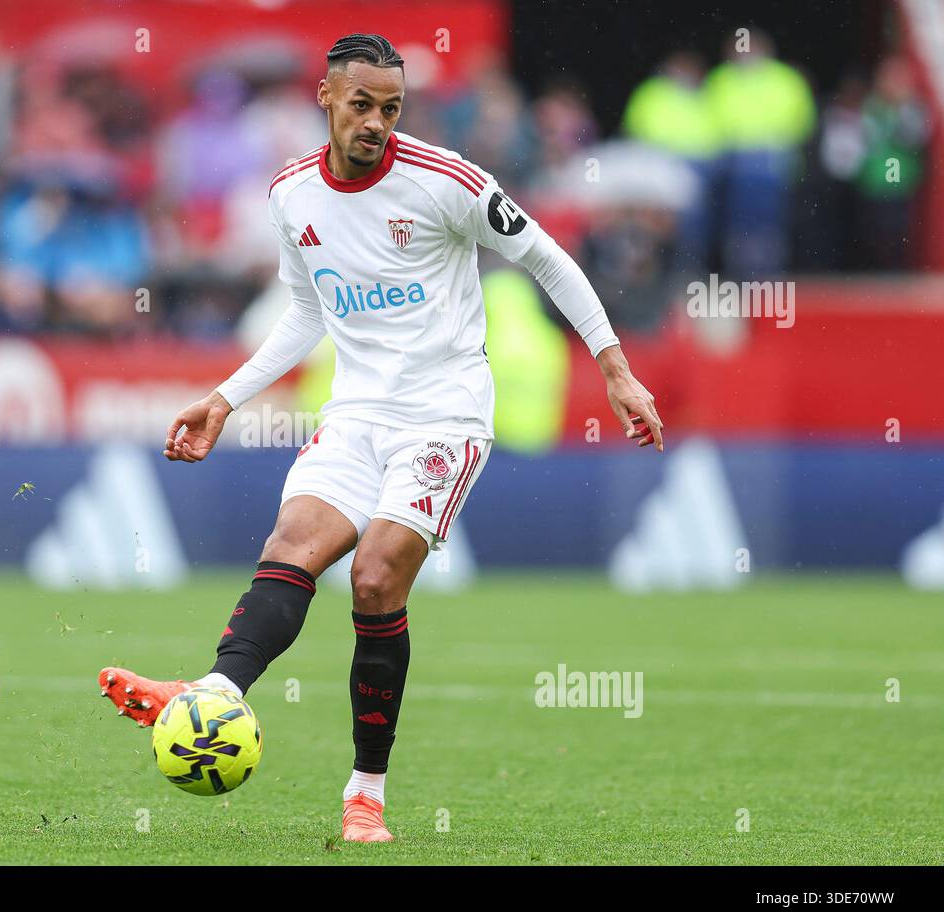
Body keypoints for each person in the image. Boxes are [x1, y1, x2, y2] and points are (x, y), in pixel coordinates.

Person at [96, 34, 663, 843]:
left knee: (372, 577)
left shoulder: (446, 182)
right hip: (357, 415)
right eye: (361, 104)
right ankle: (215, 694)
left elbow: (547, 258)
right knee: (294, 542)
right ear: (326, 99)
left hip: (445, 415)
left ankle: (365, 792)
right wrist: (225, 398)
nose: (375, 122)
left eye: (390, 108)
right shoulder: (292, 194)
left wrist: (614, 369)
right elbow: (306, 312)